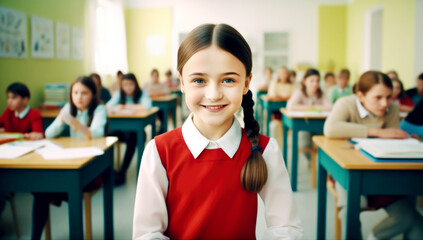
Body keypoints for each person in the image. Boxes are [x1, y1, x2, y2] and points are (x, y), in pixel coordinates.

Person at [133, 23, 303, 239]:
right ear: (182, 82)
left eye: (228, 80)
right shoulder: (159, 152)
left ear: (246, 83)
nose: (213, 94)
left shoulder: (264, 149)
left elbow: (286, 229)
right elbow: (147, 234)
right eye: (199, 80)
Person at [324, 71, 423, 239]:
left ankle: (374, 236)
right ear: (361, 96)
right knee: (349, 211)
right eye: (378, 98)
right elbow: (330, 129)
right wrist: (377, 132)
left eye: (389, 97)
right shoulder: (345, 103)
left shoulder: (392, 108)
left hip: (381, 170)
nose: (385, 103)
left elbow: (392, 143)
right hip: (349, 171)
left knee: (412, 219)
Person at [32, 76, 107, 240]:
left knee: (66, 187)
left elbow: (96, 134)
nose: (79, 97)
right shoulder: (68, 108)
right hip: (70, 164)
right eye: (75, 93)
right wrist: (60, 119)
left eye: (84, 93)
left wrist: (73, 122)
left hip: (90, 168)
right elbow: (49, 134)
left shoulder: (99, 109)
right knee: (40, 192)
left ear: (93, 94)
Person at [0, 82, 44, 223]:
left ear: (25, 100)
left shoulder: (34, 114)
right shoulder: (8, 112)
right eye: (8, 97)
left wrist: (35, 135)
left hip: (26, 158)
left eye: (13, 97)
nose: (9, 101)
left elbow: (38, 134)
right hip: (9, 156)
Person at [106, 73, 152, 185]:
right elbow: (107, 107)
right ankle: (109, 171)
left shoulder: (142, 94)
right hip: (121, 131)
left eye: (130, 84)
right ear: (121, 86)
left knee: (133, 137)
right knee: (107, 135)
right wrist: (116, 107)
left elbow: (146, 106)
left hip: (136, 132)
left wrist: (124, 106)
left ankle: (122, 171)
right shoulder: (119, 95)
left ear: (135, 84)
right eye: (125, 85)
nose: (128, 87)